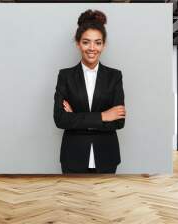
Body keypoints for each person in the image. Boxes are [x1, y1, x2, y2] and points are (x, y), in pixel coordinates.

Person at [53, 9, 126, 174]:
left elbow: (119, 121)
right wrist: (103, 116)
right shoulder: (65, 76)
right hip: (73, 155)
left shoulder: (115, 76)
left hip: (107, 155)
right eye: (86, 42)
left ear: (104, 45)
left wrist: (76, 118)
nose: (92, 48)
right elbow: (60, 119)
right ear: (78, 43)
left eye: (98, 42)